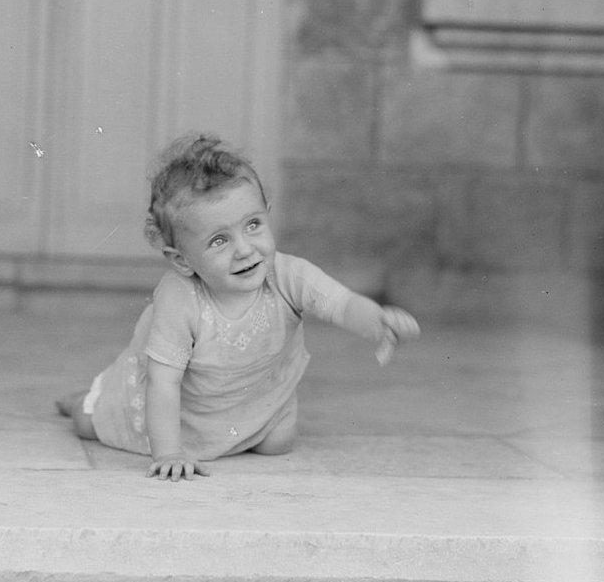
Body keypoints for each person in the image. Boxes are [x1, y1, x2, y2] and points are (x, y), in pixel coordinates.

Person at [57, 133, 420, 482]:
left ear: (267, 214)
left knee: (278, 442)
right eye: (219, 240)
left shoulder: (289, 275)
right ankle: (83, 400)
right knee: (92, 424)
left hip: (253, 397)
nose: (245, 249)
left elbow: (339, 303)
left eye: (253, 225)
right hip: (182, 410)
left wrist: (376, 321)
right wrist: (168, 453)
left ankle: (248, 427)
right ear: (182, 260)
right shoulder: (180, 298)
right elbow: (163, 382)